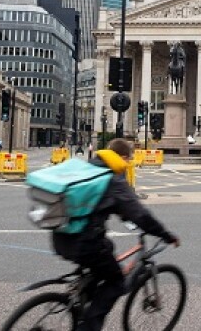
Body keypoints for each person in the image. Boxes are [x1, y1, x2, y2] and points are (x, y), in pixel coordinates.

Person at [51, 138, 180, 331]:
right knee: (116, 282)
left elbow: (105, 203)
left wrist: (123, 214)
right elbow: (140, 215)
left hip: (60, 235)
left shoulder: (90, 167)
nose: (129, 164)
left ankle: (83, 295)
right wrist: (166, 235)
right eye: (129, 160)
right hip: (84, 243)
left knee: (107, 250)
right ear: (123, 157)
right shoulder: (114, 179)